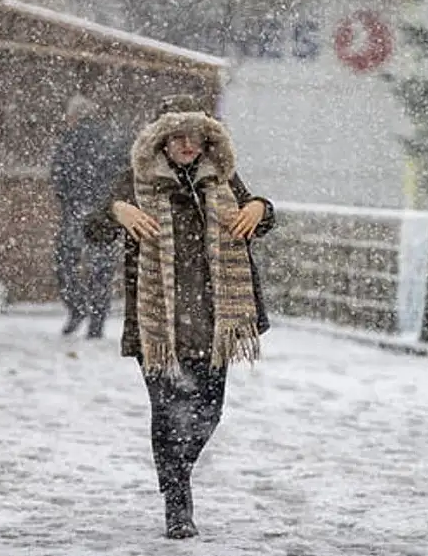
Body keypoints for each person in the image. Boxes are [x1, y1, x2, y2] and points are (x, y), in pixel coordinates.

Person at [86, 94, 275, 539]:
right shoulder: (135, 181)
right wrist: (117, 211)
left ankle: (178, 472)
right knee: (168, 414)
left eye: (195, 136)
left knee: (209, 414)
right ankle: (177, 502)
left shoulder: (221, 178)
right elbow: (91, 229)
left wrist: (260, 207)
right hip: (159, 326)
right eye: (178, 136)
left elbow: (261, 220)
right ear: (162, 140)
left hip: (215, 322)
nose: (188, 145)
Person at [50, 94, 124, 339]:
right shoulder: (110, 138)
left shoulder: (69, 139)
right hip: (105, 212)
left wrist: (69, 199)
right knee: (101, 269)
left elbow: (59, 174)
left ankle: (77, 306)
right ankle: (97, 323)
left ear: (74, 116)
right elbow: (120, 174)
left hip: (77, 209)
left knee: (65, 262)